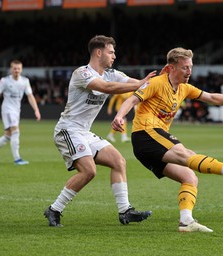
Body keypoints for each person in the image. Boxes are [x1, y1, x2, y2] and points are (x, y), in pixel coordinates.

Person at [111, 47, 223, 233]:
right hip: (146, 133)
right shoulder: (156, 82)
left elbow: (210, 97)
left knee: (189, 177)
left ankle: (186, 221)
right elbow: (132, 100)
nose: (189, 71)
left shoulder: (185, 88)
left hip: (152, 147)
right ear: (171, 68)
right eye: (185, 67)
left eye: (190, 67)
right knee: (186, 154)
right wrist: (119, 116)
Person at [43, 35, 156, 227]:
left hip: (85, 132)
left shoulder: (113, 73)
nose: (114, 56)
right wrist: (139, 84)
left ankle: (125, 211)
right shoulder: (82, 73)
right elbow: (106, 87)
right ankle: (54, 210)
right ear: (98, 52)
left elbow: (143, 83)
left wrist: (166, 79)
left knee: (118, 161)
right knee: (89, 171)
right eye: (111, 52)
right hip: (68, 130)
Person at [0, 60, 41, 165]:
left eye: (18, 68)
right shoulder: (4, 81)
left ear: (21, 69)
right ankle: (17, 159)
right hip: (7, 110)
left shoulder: (25, 81)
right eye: (14, 68)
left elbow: (30, 96)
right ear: (11, 69)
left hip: (16, 110)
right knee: (16, 131)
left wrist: (36, 110)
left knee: (8, 136)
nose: (16, 70)